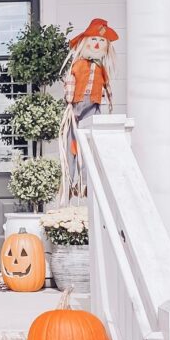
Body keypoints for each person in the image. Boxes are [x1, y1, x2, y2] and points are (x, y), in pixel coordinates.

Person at [58, 17, 118, 202]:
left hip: (93, 106)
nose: (97, 44)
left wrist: (109, 101)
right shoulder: (78, 64)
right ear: (86, 42)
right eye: (94, 39)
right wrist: (69, 100)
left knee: (88, 147)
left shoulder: (101, 68)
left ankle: (84, 183)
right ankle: (70, 181)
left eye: (101, 40)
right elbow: (71, 80)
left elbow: (106, 86)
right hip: (76, 106)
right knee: (72, 145)